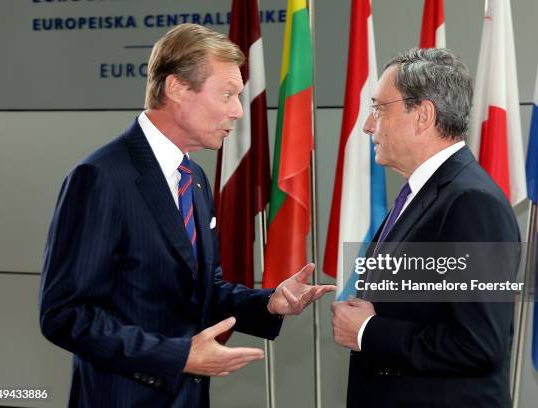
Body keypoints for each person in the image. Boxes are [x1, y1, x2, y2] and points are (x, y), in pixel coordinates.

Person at [39, 23, 334, 408]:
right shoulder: (100, 178)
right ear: (177, 88)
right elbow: (66, 314)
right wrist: (177, 356)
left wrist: (268, 303)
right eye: (227, 94)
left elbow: (201, 290)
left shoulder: (192, 177)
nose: (238, 111)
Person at [331, 48, 520, 407]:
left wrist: (369, 331)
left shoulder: (472, 203)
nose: (368, 125)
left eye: (378, 109)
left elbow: (479, 344)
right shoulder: (421, 196)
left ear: (423, 115)